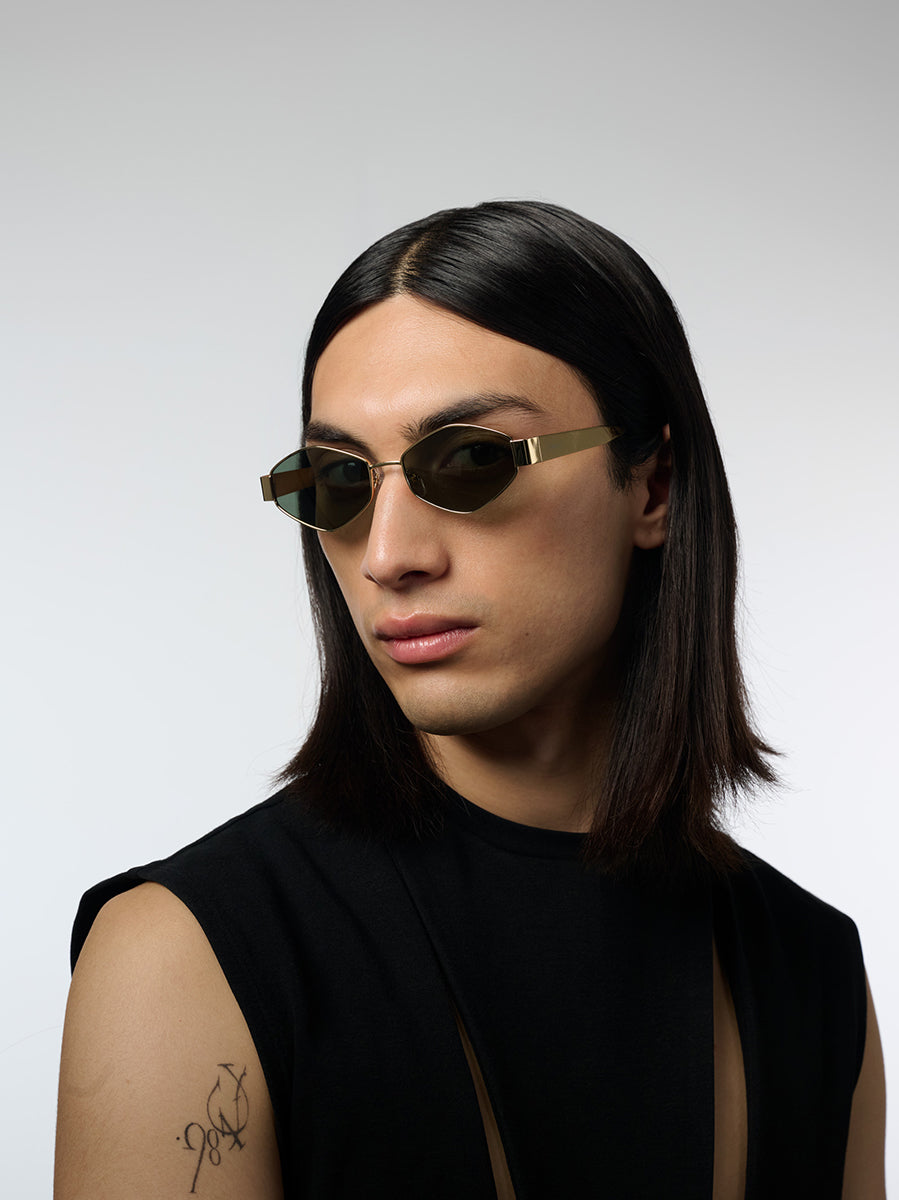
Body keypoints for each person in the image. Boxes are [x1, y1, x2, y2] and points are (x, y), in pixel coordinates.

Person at [55, 201, 886, 1199]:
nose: (388, 556)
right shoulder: (181, 956)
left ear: (654, 485)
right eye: (337, 482)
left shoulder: (811, 974)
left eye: (470, 460)